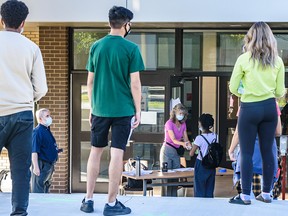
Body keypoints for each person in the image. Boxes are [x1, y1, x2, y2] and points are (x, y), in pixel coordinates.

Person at [80, 6, 144, 215]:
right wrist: (138, 111)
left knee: (95, 152)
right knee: (117, 153)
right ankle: (110, 203)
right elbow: (135, 84)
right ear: (127, 25)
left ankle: (88, 200)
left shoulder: (96, 47)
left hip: (99, 109)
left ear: (109, 23)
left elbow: (89, 82)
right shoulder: (131, 49)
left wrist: (92, 106)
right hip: (123, 109)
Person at [229, 22, 286, 205]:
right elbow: (279, 92)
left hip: (249, 108)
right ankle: (267, 193)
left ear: (250, 38)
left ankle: (245, 195)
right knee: (268, 150)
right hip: (269, 108)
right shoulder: (277, 61)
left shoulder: (244, 59)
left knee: (245, 152)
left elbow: (232, 87)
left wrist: (244, 93)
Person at [0, 0, 47, 215]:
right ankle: (19, 213)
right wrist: (27, 98)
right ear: (23, 23)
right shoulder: (31, 48)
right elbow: (41, 88)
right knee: (20, 172)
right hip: (22, 115)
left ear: (1, 21)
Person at [160, 103, 192, 197]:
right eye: (179, 113)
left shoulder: (183, 124)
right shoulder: (169, 123)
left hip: (176, 151)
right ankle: (165, 196)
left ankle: (174, 196)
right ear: (174, 113)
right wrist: (184, 144)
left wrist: (188, 144)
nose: (181, 115)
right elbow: (173, 139)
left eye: (183, 114)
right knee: (166, 175)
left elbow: (185, 137)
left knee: (176, 174)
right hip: (168, 149)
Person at [31, 108, 61, 193]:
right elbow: (34, 151)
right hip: (42, 165)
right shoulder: (37, 132)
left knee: (46, 189)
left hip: (49, 165)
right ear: (40, 119)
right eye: (47, 116)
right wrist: (36, 167)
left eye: (49, 115)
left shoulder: (47, 130)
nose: (49, 118)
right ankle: (38, 206)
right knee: (38, 189)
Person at [189, 113, 217, 198]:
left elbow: (191, 153)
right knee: (210, 188)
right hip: (212, 164)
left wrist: (192, 146)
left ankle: (200, 207)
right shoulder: (216, 136)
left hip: (201, 163)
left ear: (201, 124)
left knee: (199, 188)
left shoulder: (199, 138)